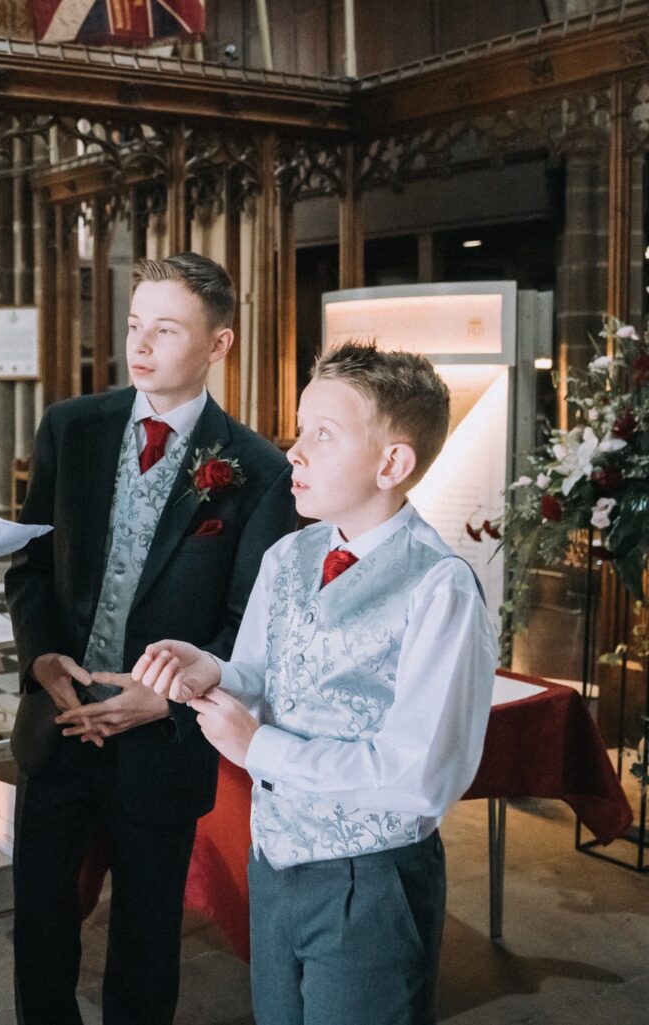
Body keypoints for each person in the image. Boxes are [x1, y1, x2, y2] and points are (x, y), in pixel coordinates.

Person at [135, 342, 499, 1025]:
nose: (294, 451)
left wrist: (258, 747)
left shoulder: (440, 588)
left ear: (393, 463)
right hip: (274, 860)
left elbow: (419, 775)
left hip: (369, 880)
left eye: (322, 436)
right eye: (300, 429)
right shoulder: (290, 553)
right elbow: (260, 674)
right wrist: (209, 669)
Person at [5, 253, 295, 1025]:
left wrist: (164, 700)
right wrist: (40, 660)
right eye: (136, 325)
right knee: (38, 928)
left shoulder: (257, 471)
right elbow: (29, 566)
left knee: (144, 942)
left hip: (162, 742)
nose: (141, 344)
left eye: (166, 330)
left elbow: (247, 622)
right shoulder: (71, 429)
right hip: (59, 722)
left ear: (218, 345)